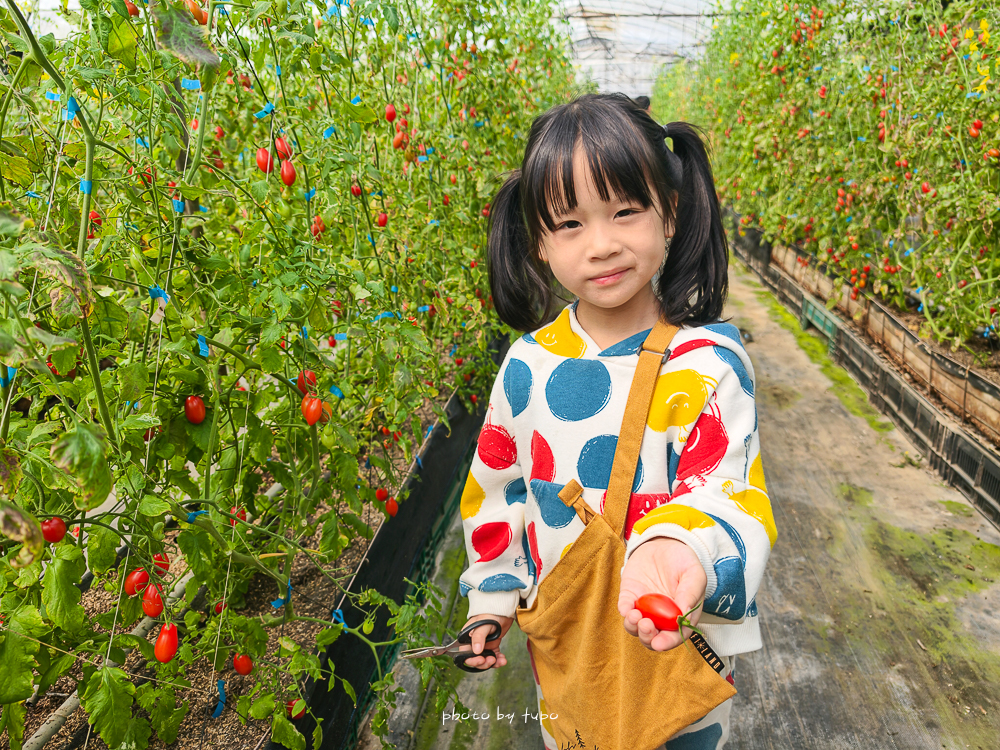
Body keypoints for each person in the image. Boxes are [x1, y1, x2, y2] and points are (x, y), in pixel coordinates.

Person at [455, 93, 776, 750]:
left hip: (675, 639)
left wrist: (683, 548)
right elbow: (499, 492)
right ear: (539, 243)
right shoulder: (527, 366)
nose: (601, 245)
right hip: (570, 649)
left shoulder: (707, 364)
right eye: (570, 224)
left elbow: (731, 490)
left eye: (625, 212)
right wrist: (491, 602)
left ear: (671, 214)